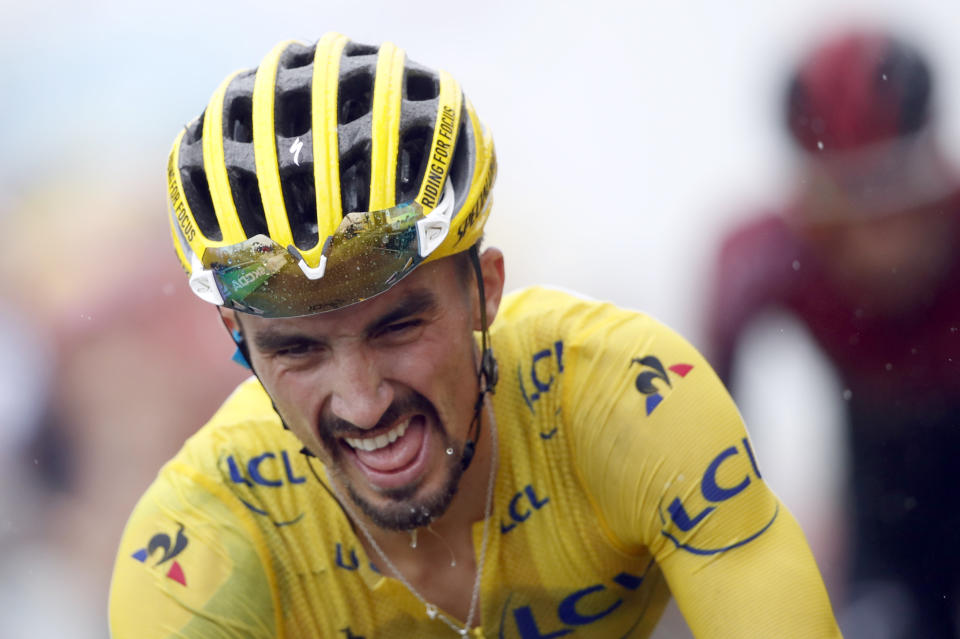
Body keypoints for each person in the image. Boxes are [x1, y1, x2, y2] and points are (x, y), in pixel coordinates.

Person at [108, 33, 840, 638]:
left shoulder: (628, 399)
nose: (363, 403)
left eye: (399, 325)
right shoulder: (197, 542)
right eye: (297, 349)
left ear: (486, 287)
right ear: (239, 340)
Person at [707, 28, 960, 639]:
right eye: (847, 204)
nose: (879, 244)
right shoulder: (766, 260)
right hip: (878, 489)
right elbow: (702, 427)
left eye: (895, 191)